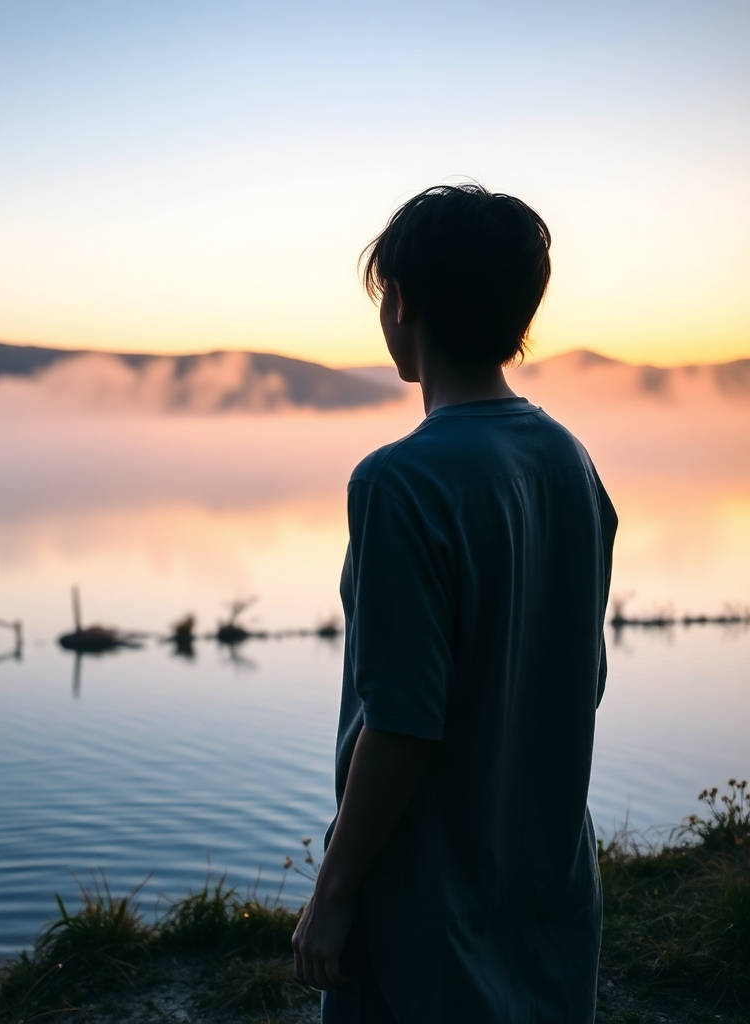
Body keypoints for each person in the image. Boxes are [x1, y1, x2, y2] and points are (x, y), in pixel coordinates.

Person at [291, 184, 617, 1023]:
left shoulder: (400, 482)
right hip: (550, 889)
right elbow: (581, 679)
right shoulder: (570, 463)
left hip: (427, 908)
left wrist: (334, 890)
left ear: (402, 303)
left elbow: (401, 723)